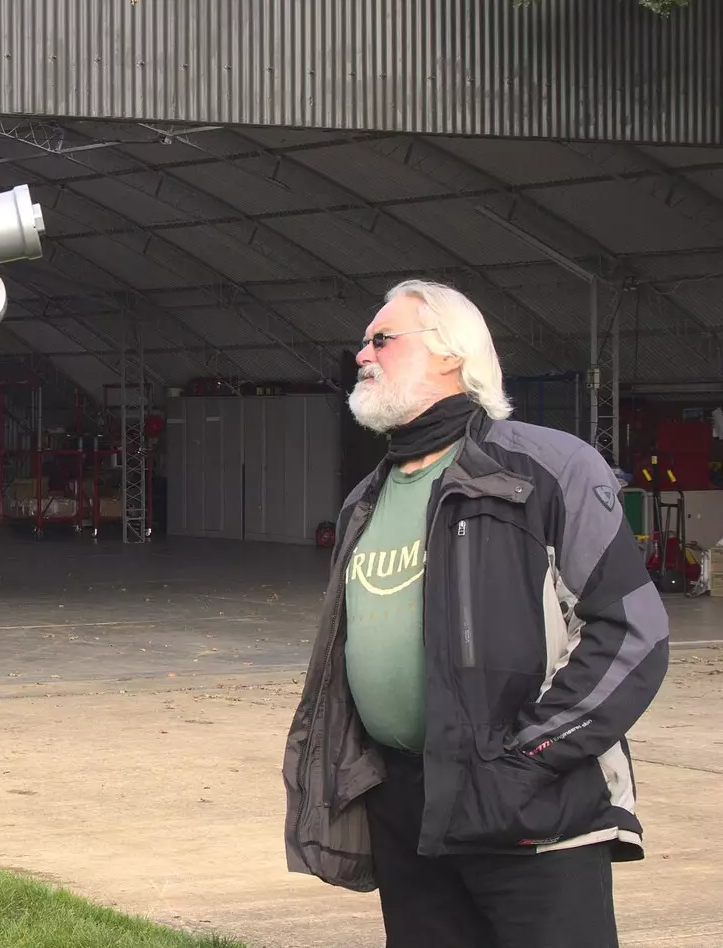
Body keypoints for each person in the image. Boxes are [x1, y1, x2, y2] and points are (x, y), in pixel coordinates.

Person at [282, 279, 669, 948]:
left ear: (450, 355)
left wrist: (529, 756)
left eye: (381, 338)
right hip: (406, 806)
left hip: (528, 805)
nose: (361, 354)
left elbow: (632, 629)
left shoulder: (546, 469)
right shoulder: (364, 503)